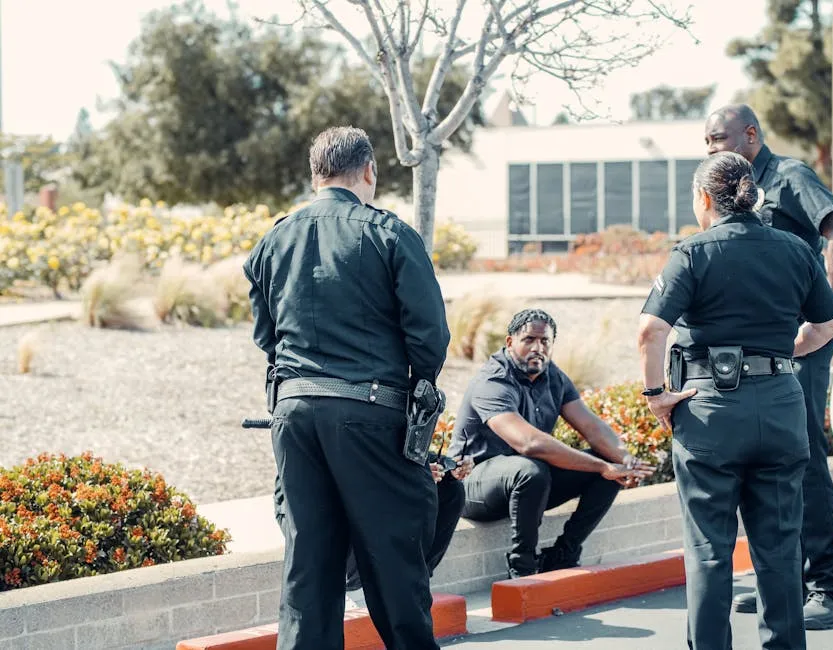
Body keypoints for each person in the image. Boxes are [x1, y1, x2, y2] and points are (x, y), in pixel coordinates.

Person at [243, 126, 450, 650]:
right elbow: (430, 335)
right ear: (370, 172)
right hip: (369, 413)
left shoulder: (274, 238)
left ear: (316, 176)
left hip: (293, 413)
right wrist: (417, 389)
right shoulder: (389, 234)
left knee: (308, 563)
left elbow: (265, 335)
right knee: (393, 559)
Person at [638, 151, 833, 650]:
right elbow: (831, 324)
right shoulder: (796, 250)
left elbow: (650, 331)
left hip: (711, 414)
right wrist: (782, 353)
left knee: (709, 550)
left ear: (705, 198)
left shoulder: (692, 253)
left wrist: (655, 396)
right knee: (779, 550)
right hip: (779, 405)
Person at [704, 104, 833, 629]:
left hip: (800, 348)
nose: (711, 150)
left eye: (720, 139)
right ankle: (788, 582)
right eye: (706, 142)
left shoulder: (789, 176)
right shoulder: (739, 190)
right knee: (776, 462)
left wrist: (823, 322)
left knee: (806, 458)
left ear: (751, 135)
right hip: (764, 352)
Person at [447, 308, 654, 579]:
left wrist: (626, 461)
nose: (538, 348)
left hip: (529, 485)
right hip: (473, 485)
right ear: (510, 343)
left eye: (544, 341)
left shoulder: (552, 376)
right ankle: (523, 568)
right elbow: (530, 443)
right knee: (531, 469)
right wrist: (600, 464)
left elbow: (591, 426)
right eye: (529, 340)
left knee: (609, 471)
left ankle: (562, 554)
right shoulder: (494, 380)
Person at [344, 455, 474, 607]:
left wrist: (448, 466)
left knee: (451, 489)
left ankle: (414, 580)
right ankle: (353, 586)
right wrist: (408, 475)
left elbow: (411, 452)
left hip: (391, 475)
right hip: (352, 482)